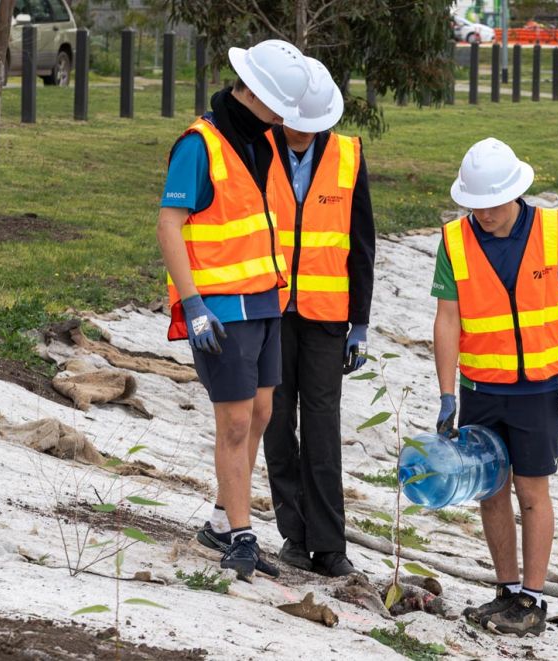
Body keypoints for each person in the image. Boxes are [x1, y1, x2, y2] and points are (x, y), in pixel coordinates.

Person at [156, 39, 311, 581]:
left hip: (266, 299)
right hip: (222, 309)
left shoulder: (262, 143)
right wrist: (193, 303)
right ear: (255, 94)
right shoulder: (199, 145)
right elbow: (169, 225)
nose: (282, 118)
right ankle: (242, 536)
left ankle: (223, 521)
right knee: (237, 422)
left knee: (262, 414)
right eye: (277, 106)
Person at [431, 138, 558, 637]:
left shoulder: (552, 230)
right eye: (473, 205)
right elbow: (446, 319)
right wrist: (446, 394)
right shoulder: (454, 240)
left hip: (539, 390)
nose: (481, 214)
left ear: (514, 195)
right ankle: (506, 591)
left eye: (490, 205)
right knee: (491, 491)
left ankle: (534, 599)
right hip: (481, 388)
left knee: (532, 492)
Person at [263, 58, 376, 577]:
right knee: (276, 422)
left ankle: (330, 545)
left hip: (328, 318)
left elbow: (361, 246)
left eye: (313, 126)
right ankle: (294, 534)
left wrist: (361, 323)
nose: (302, 134)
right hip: (268, 308)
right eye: (294, 124)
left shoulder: (349, 157)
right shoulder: (257, 148)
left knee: (323, 426)